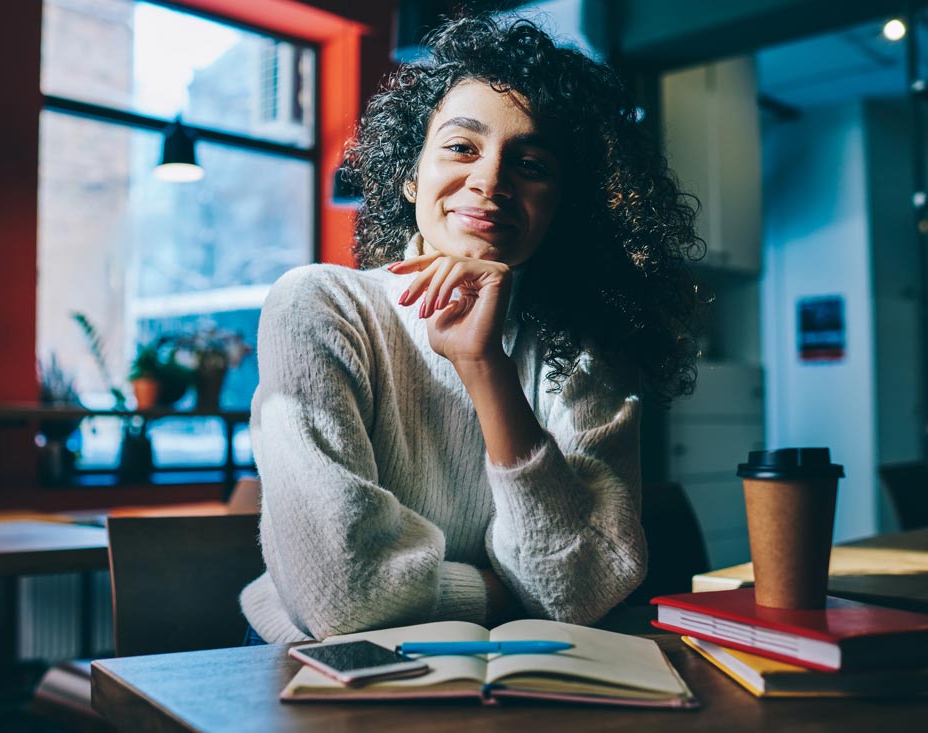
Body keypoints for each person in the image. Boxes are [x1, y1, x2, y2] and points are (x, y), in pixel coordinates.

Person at [239, 14, 703, 644]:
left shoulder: (584, 347)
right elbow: (342, 597)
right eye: (461, 147)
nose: (489, 181)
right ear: (410, 174)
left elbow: (583, 592)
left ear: (564, 205)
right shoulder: (319, 305)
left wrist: (486, 368)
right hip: (325, 675)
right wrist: (503, 592)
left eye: (532, 163)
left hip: (521, 669)